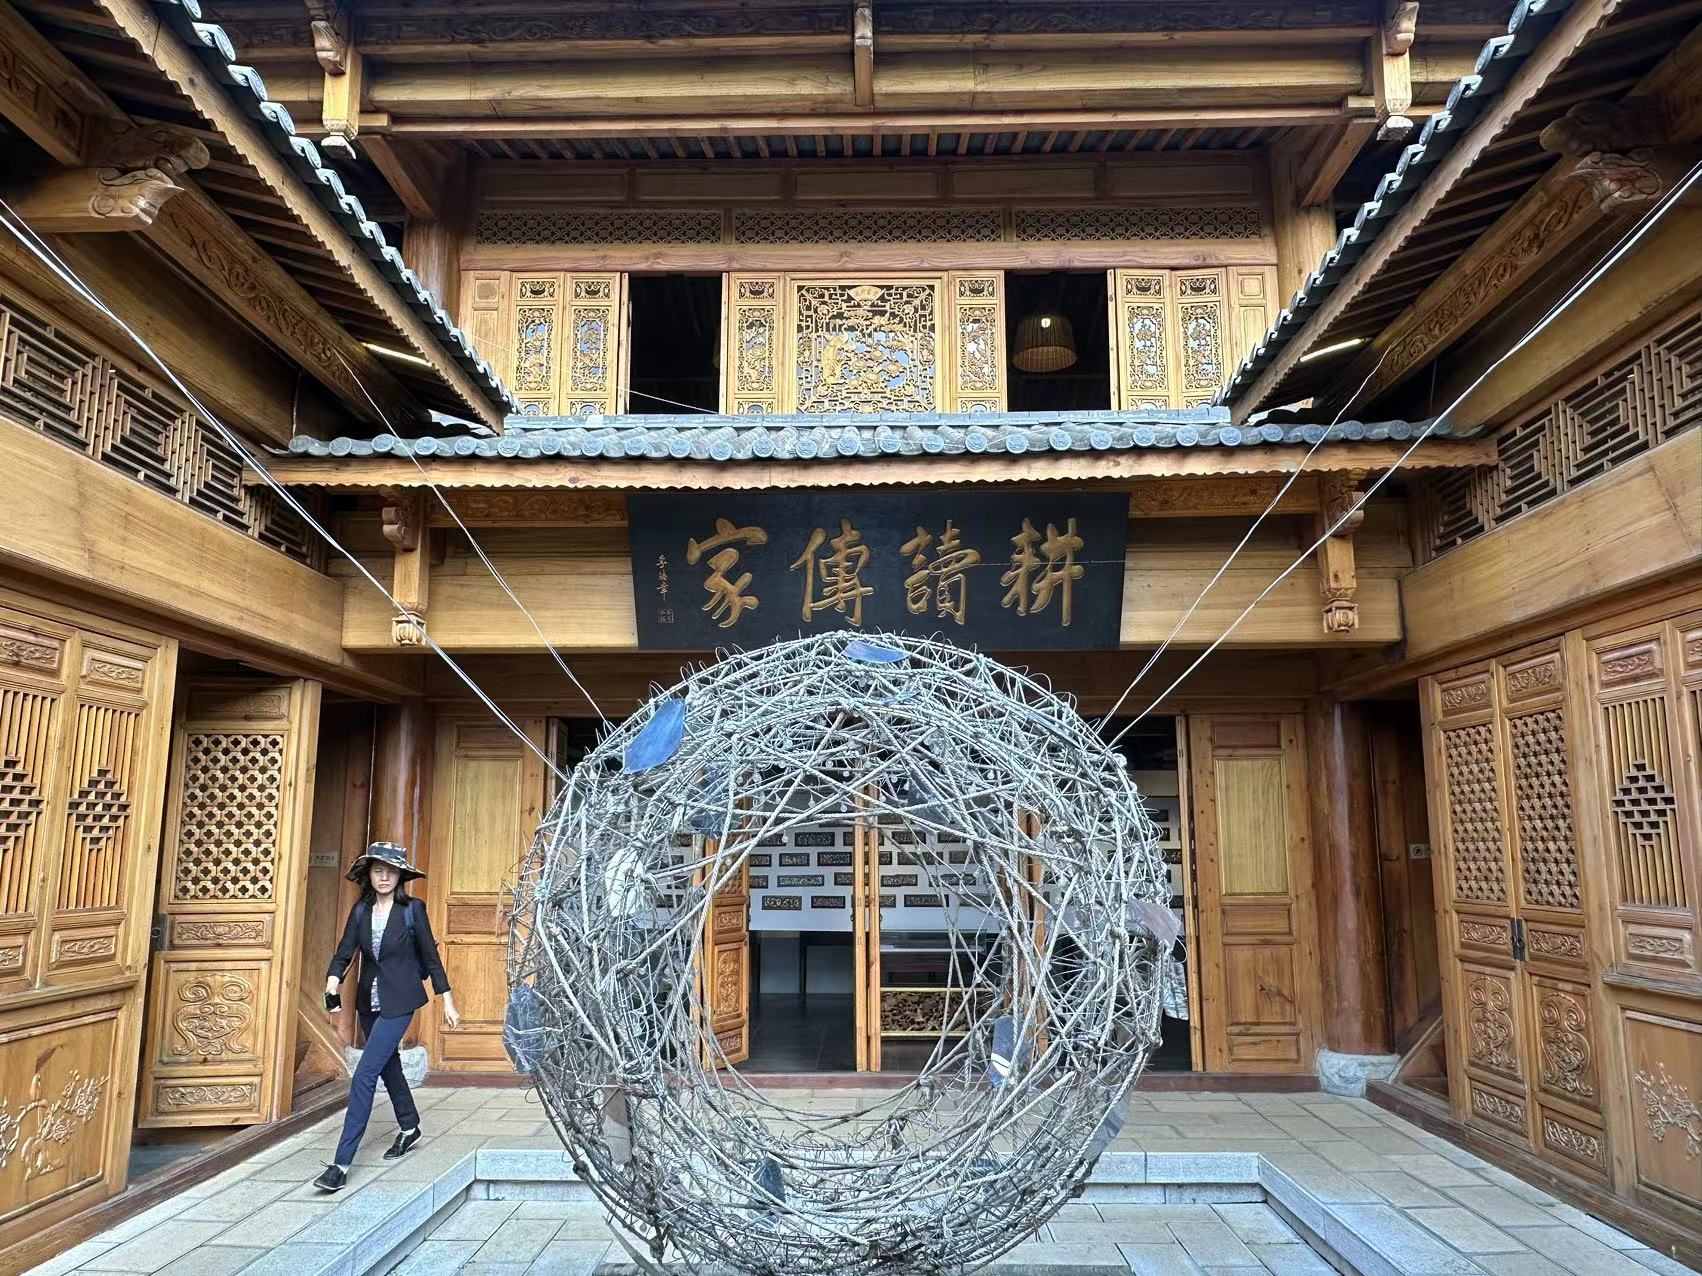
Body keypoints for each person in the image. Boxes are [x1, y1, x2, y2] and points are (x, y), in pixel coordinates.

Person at [313, 841, 459, 1192]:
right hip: (369, 1002)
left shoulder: (413, 910)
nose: (384, 877)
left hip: (401, 1001)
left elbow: (431, 957)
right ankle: (409, 1127)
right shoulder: (361, 911)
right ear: (369, 874)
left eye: (391, 871)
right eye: (378, 870)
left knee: (365, 1074)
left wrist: (448, 1000)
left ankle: (341, 1163)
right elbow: (344, 952)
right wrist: (332, 983)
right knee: (389, 1066)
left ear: (400, 876)